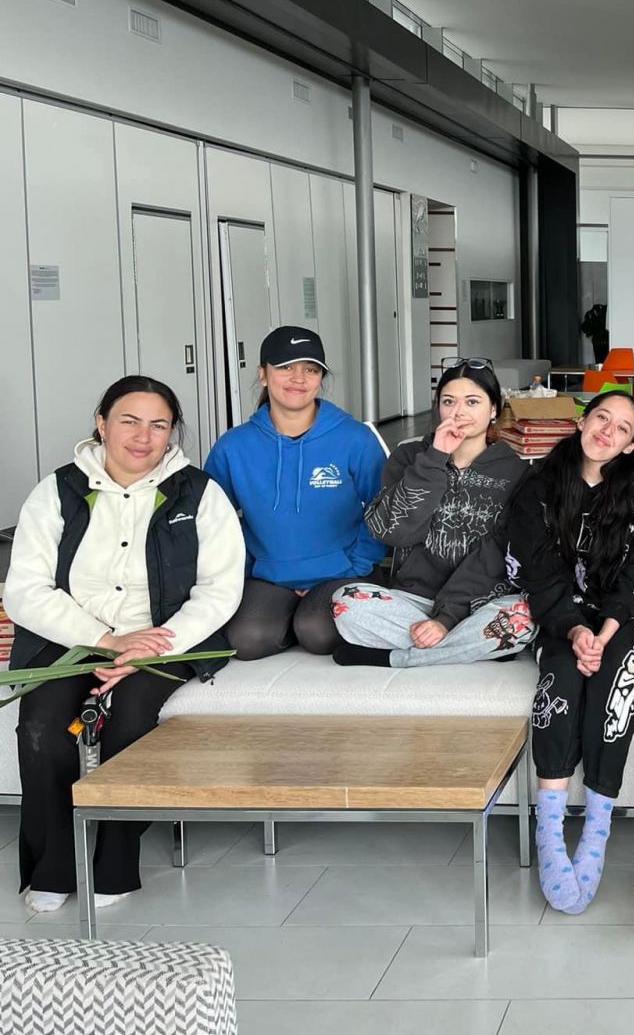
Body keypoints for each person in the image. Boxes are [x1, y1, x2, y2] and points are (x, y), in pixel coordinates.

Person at [5, 376, 245, 913]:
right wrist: (105, 639)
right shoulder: (58, 490)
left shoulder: (199, 493)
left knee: (133, 724)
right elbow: (25, 589)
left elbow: (221, 589)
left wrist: (152, 646)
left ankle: (116, 859)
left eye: (158, 424)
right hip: (73, 636)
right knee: (42, 728)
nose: (143, 436)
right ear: (102, 424)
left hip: (162, 641)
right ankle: (52, 867)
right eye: (129, 421)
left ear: (172, 432)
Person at [505, 391, 634, 914]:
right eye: (601, 418)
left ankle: (596, 829)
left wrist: (607, 628)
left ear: (632, 443)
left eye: (621, 428)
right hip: (560, 620)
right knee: (562, 685)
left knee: (615, 689)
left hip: (626, 619)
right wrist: (575, 632)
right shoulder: (539, 488)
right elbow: (539, 573)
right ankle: (549, 831)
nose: (607, 432)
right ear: (582, 421)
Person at [331, 358, 532, 668]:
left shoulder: (517, 473)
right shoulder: (410, 457)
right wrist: (436, 456)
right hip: (413, 601)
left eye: (473, 401)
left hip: (478, 603)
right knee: (346, 601)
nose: (458, 412)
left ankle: (398, 658)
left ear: (493, 410)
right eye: (448, 401)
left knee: (522, 617)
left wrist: (446, 619)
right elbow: (392, 530)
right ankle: (469, 649)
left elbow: (497, 554)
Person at [204, 326, 387, 660]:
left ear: (320, 378)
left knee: (318, 633)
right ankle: (289, 616)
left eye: (310, 369)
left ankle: (303, 618)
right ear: (263, 374)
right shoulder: (233, 446)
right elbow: (213, 520)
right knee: (247, 640)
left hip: (340, 570)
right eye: (285, 367)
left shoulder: (354, 437)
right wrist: (246, 565)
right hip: (268, 573)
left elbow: (385, 507)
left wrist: (354, 564)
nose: (298, 378)